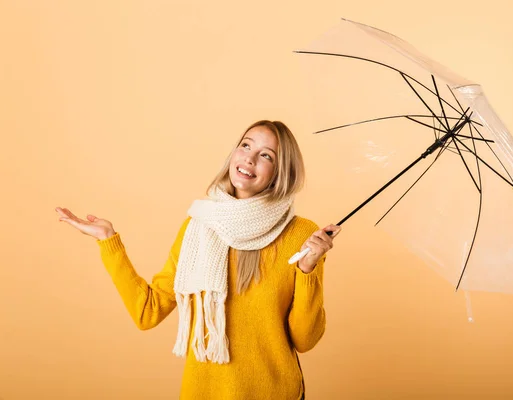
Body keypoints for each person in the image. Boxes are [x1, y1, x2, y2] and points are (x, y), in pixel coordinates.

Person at [55, 120, 341, 400]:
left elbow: (305, 339)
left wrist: (308, 269)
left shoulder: (301, 234)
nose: (249, 159)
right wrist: (109, 241)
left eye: (266, 155)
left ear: (281, 171)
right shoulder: (198, 227)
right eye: (245, 146)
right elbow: (147, 312)